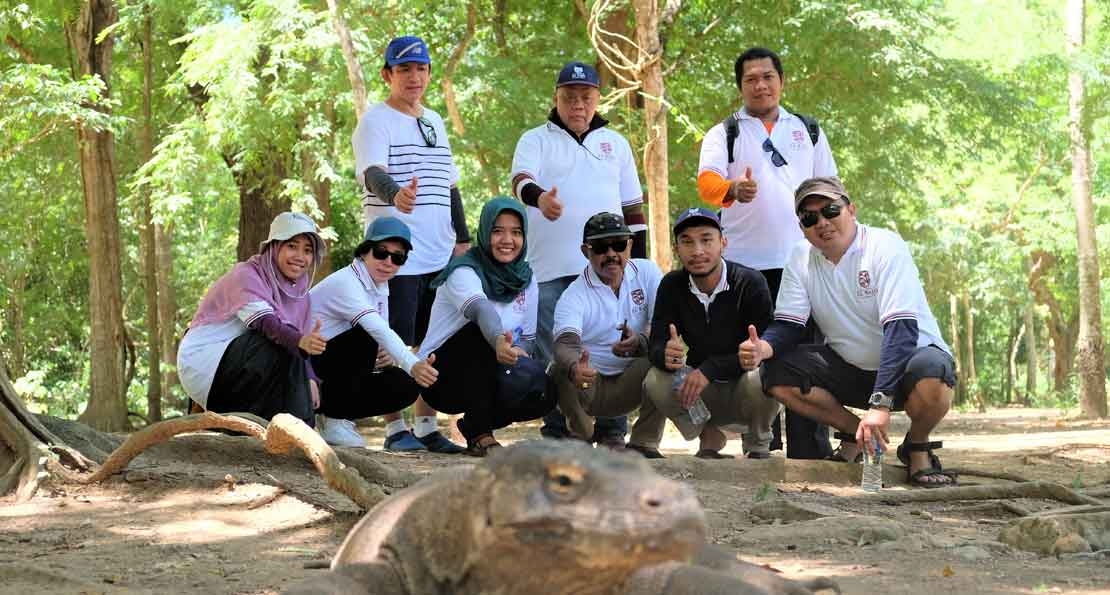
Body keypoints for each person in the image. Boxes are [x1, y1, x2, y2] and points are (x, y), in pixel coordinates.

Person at [739, 177, 957, 487]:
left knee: (933, 372)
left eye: (830, 210)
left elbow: (901, 330)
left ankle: (917, 446)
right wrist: (765, 348)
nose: (822, 223)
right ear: (802, 227)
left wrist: (880, 405)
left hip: (909, 368)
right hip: (851, 369)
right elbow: (789, 325)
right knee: (775, 373)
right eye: (810, 218)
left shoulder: (885, 246)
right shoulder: (801, 257)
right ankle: (858, 435)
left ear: (851, 209)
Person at [696, 46, 837, 460]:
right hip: (744, 264)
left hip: (803, 261)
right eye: (751, 79)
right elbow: (707, 183)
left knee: (804, 351)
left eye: (768, 76)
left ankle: (810, 446)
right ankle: (760, 440)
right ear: (740, 86)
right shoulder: (726, 132)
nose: (760, 85)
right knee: (753, 351)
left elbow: (830, 188)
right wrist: (732, 189)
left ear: (781, 80)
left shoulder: (807, 129)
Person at [510, 61, 646, 447]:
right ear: (556, 99)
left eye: (586, 97)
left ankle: (612, 431)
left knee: (608, 348)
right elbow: (522, 182)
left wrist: (639, 265)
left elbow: (633, 209)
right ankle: (558, 429)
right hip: (551, 271)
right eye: (569, 97)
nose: (578, 105)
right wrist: (540, 200)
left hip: (609, 272)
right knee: (556, 351)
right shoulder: (535, 139)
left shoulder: (616, 144)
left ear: (597, 99)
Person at [351, 35, 470, 453]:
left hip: (441, 252)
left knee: (433, 340)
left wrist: (463, 240)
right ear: (388, 75)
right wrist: (395, 194)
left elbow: (451, 185)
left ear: (429, 73)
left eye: (420, 68)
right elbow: (371, 173)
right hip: (397, 255)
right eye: (404, 70)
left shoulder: (435, 121)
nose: (413, 77)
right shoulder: (375, 120)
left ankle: (425, 426)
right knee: (394, 339)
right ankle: (394, 429)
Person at [417, 198, 556, 456]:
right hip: (439, 375)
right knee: (478, 335)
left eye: (516, 232)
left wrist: (519, 354)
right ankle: (481, 434)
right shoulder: (464, 270)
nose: (507, 240)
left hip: (493, 367)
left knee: (542, 387)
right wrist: (498, 341)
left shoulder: (526, 278)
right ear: (484, 232)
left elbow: (527, 337)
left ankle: (473, 425)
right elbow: (481, 310)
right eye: (497, 231)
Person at [643, 208, 781, 459]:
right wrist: (665, 353)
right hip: (699, 391)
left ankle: (758, 443)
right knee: (656, 378)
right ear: (676, 250)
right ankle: (708, 433)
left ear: (723, 243)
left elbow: (763, 348)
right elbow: (656, 343)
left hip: (742, 385)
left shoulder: (750, 282)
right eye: (687, 242)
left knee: (763, 373)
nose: (697, 251)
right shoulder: (671, 285)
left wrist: (710, 369)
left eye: (706, 240)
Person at [178, 212, 326, 425]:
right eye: (292, 246)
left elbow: (298, 343)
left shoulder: (300, 295)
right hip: (204, 364)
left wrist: (310, 377)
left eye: (308, 250)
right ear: (274, 247)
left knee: (290, 349)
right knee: (280, 342)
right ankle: (306, 431)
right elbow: (266, 324)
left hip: (245, 366)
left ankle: (256, 430)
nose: (300, 257)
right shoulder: (246, 275)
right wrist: (300, 342)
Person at [308, 217, 441, 448]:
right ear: (364, 252)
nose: (389, 261)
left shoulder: (380, 287)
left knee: (404, 385)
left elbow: (380, 338)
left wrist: (386, 357)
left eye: (397, 257)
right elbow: (377, 329)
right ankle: (334, 419)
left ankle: (337, 416)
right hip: (303, 367)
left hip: (333, 366)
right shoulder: (346, 282)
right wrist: (413, 363)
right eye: (381, 252)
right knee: (366, 336)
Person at [549, 212, 666, 458]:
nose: (612, 254)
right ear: (585, 251)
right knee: (558, 369)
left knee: (665, 355)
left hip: (631, 382)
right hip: (588, 385)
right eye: (601, 247)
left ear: (630, 245)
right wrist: (574, 366)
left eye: (620, 245)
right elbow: (564, 343)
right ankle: (580, 433)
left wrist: (641, 341)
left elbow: (664, 324)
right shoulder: (574, 294)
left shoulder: (647, 273)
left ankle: (644, 443)